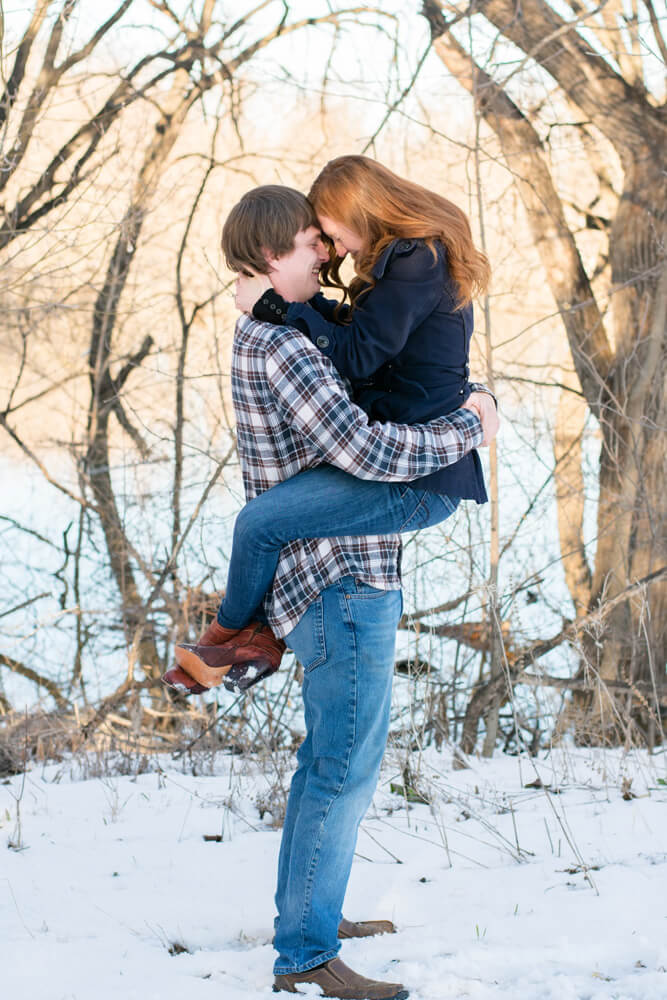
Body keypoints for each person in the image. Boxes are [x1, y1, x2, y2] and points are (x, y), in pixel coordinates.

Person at [167, 184, 498, 999]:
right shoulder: (285, 347)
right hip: (340, 576)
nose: (328, 254)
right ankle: (307, 954)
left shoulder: (277, 330)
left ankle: (312, 913)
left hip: (329, 570)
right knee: (342, 768)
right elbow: (361, 450)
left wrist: (459, 389)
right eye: (312, 244)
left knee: (327, 760)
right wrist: (472, 425)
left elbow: (389, 364)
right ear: (270, 253)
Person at [167, 157, 496, 695]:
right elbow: (373, 344)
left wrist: (279, 303)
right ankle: (253, 639)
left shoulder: (416, 260)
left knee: (258, 524)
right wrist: (289, 305)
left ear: (357, 210)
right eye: (316, 240)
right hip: (402, 467)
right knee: (261, 524)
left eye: (332, 233)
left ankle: (227, 638)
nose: (333, 250)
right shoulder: (400, 264)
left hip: (419, 478)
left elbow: (362, 357)